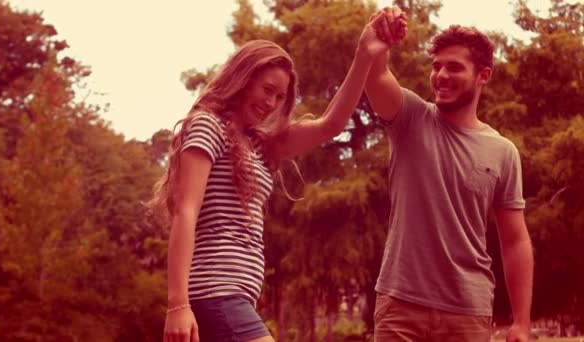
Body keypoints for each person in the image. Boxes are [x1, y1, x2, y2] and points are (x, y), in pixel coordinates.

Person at [148, 13, 407, 342]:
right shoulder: (207, 126)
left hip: (236, 294)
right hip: (215, 290)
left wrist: (364, 55)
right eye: (266, 90)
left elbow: (331, 124)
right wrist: (177, 304)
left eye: (280, 97)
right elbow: (186, 211)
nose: (271, 103)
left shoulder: (259, 144)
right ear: (243, 79)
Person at [364, 7, 534, 342]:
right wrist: (379, 35)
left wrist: (522, 322)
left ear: (483, 75)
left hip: (468, 312)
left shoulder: (503, 152)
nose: (441, 75)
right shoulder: (410, 118)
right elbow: (376, 77)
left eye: (454, 67)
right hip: (401, 306)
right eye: (436, 66)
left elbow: (515, 240)